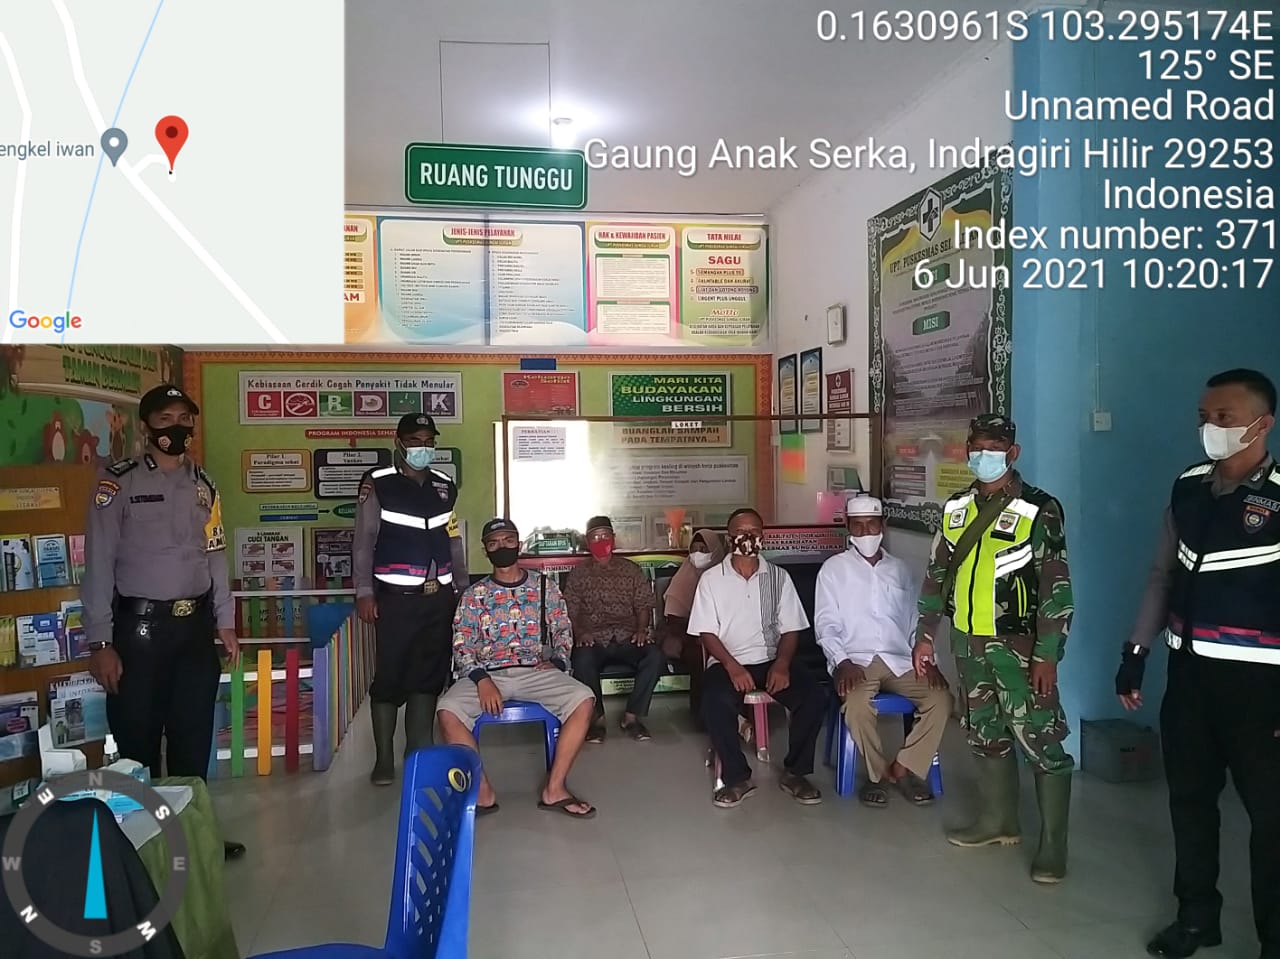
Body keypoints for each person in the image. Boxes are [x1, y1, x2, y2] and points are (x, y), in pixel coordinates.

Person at [1116, 369, 1280, 959]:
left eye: (1225, 418)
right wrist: (1136, 653)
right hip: (1189, 680)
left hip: (1261, 690)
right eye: (1204, 418)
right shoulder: (1188, 486)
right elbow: (1163, 574)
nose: (1211, 428)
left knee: (1271, 819)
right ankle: (1196, 919)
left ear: (1263, 424)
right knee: (1189, 803)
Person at [81, 384, 245, 861]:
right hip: (139, 633)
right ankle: (143, 847)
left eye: (184, 418)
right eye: (166, 418)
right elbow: (99, 564)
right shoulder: (118, 483)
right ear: (146, 427)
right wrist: (100, 643)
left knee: (193, 736)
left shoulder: (204, 485)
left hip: (193, 631)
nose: (177, 427)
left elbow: (216, 554)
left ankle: (194, 835)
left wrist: (225, 621)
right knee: (139, 738)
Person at [913, 412, 1074, 883]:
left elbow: (1055, 586)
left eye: (995, 447)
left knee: (1041, 738)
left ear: (1013, 453)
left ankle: (1054, 846)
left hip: (1019, 647)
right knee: (984, 732)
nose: (984, 455)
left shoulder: (1039, 508)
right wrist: (925, 633)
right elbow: (937, 575)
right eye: (977, 447)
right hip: (968, 642)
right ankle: (998, 821)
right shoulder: (956, 507)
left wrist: (1048, 654)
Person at [436, 518, 597, 818]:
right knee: (447, 710)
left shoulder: (545, 587)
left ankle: (555, 788)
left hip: (536, 670)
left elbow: (563, 630)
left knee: (583, 699)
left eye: (508, 540)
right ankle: (482, 792)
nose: (502, 547)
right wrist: (481, 679)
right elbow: (461, 644)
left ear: (519, 544)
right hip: (486, 674)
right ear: (485, 550)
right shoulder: (473, 596)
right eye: (494, 543)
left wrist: (558, 661)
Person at [815, 494, 952, 808]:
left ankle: (901, 768)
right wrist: (842, 662)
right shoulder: (833, 570)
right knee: (857, 704)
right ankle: (877, 776)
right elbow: (826, 624)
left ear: (883, 525)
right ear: (847, 526)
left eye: (872, 525)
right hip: (856, 661)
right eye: (858, 526)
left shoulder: (901, 570)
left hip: (900, 659)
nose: (866, 533)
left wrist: (928, 660)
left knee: (941, 699)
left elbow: (915, 621)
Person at [354, 412, 468, 786]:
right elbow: (363, 541)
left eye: (429, 441)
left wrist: (462, 589)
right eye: (415, 441)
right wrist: (364, 592)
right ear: (399, 442)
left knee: (429, 675)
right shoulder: (378, 483)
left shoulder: (444, 486)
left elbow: (453, 540)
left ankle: (417, 752)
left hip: (438, 599)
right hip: (395, 600)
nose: (423, 448)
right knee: (390, 675)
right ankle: (384, 759)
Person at [689, 507, 825, 808]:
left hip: (772, 659)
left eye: (754, 532)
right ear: (729, 537)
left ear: (763, 537)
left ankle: (796, 773)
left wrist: (782, 664)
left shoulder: (779, 577)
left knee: (814, 697)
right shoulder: (711, 580)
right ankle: (737, 777)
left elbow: (791, 629)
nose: (747, 537)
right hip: (728, 661)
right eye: (740, 532)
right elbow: (706, 633)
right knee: (713, 701)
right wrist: (732, 666)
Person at [563, 515, 662, 742]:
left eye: (605, 536)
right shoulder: (579, 573)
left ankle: (631, 716)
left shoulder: (631, 570)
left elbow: (643, 605)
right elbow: (569, 611)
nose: (601, 541)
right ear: (587, 541)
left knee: (655, 656)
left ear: (613, 539)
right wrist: (580, 632)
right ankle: (597, 720)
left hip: (628, 637)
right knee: (581, 659)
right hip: (594, 639)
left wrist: (641, 629)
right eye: (595, 537)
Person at [664, 529, 727, 721]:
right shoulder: (683, 578)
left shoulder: (726, 576)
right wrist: (698, 634)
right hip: (690, 638)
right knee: (699, 656)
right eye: (694, 549)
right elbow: (674, 621)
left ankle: (736, 711)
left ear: (715, 551)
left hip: (724, 635)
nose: (698, 554)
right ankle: (703, 713)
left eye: (704, 549)